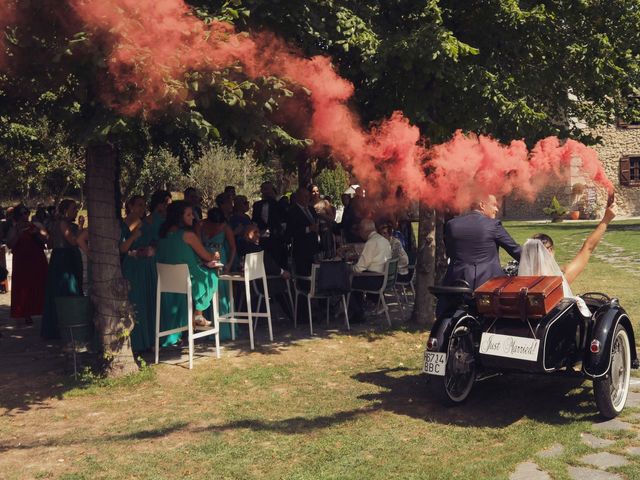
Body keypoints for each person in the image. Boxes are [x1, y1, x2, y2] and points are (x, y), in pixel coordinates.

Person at [518, 203, 616, 315]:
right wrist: (606, 219)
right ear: (550, 251)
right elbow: (588, 247)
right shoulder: (559, 280)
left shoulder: (519, 286)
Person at [439, 194, 521, 316]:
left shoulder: (452, 225)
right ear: (482, 205)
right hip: (486, 285)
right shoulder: (493, 225)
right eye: (494, 205)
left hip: (455, 281)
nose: (497, 209)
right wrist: (539, 259)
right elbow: (515, 250)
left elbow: (450, 252)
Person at [155, 201, 220, 346]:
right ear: (179, 217)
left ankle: (192, 321)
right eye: (189, 215)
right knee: (213, 274)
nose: (193, 218)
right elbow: (206, 256)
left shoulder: (163, 235)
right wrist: (215, 255)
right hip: (190, 280)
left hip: (166, 281)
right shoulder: (187, 235)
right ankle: (198, 313)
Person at [41, 199, 85, 339]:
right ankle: (65, 325)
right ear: (66, 210)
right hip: (64, 258)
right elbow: (72, 241)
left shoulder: (62, 223)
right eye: (73, 209)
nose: (76, 211)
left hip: (65, 257)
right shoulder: (63, 223)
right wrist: (80, 227)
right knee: (66, 290)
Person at [119, 195, 157, 352]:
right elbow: (122, 248)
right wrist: (134, 237)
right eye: (139, 205)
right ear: (131, 206)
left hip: (147, 265)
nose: (142, 208)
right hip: (132, 266)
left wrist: (152, 249)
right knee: (136, 300)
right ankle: (135, 342)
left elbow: (155, 240)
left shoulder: (147, 222)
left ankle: (149, 340)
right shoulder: (123, 224)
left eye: (144, 205)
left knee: (148, 300)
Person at [6, 204, 48, 325]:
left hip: (37, 259)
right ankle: (26, 314)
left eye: (26, 213)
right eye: (22, 213)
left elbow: (46, 240)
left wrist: (36, 233)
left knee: (40, 284)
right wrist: (18, 234)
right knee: (24, 287)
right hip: (22, 262)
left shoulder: (36, 225)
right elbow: (10, 244)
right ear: (17, 215)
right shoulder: (14, 228)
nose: (25, 216)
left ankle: (43, 310)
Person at [201, 207, 238, 340]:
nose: (216, 226)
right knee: (204, 290)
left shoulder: (225, 228)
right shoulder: (202, 225)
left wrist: (228, 264)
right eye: (214, 223)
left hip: (219, 260)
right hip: (204, 259)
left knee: (220, 292)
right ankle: (205, 327)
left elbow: (233, 247)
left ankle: (223, 330)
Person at [349, 219, 392, 322]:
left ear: (364, 231)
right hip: (385, 279)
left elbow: (359, 268)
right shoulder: (384, 240)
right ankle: (359, 310)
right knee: (355, 279)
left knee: (347, 280)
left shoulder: (371, 242)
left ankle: (357, 313)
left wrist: (348, 268)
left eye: (359, 230)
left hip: (375, 280)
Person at [286, 187, 320, 276]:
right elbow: (291, 231)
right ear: (298, 197)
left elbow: (315, 221)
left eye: (308, 196)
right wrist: (308, 229)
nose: (307, 198)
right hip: (302, 247)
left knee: (315, 270)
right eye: (304, 196)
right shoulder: (292, 211)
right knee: (304, 271)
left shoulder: (311, 209)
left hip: (313, 244)